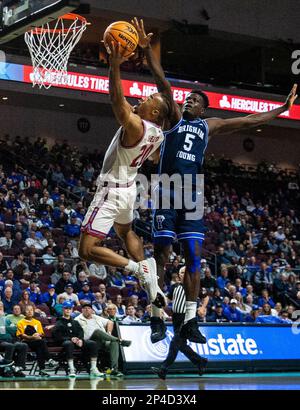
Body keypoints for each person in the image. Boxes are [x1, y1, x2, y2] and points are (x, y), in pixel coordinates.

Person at [132, 17, 298, 343]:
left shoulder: (211, 125)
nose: (187, 101)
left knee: (194, 257)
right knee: (162, 254)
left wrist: (281, 109)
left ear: (204, 107)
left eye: (194, 99)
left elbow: (249, 120)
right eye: (187, 99)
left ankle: (191, 320)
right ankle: (155, 316)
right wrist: (147, 50)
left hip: (192, 193)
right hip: (167, 189)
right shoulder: (175, 118)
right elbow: (162, 81)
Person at [78, 39, 170, 304]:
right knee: (126, 232)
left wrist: (115, 66)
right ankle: (149, 275)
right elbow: (153, 158)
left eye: (149, 98)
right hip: (129, 189)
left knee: (86, 250)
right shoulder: (157, 134)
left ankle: (136, 268)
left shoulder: (136, 127)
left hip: (112, 190)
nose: (143, 97)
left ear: (153, 111)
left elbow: (116, 100)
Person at [151, 269, 207, 380]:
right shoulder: (174, 286)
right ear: (179, 275)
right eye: (181, 272)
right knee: (180, 345)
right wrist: (159, 307)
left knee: (175, 343)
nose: (183, 274)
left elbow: (205, 297)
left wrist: (202, 307)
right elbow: (167, 299)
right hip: (176, 318)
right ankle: (200, 361)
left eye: (185, 272)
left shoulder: (194, 286)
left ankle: (164, 369)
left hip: (186, 318)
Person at [75, 302, 131, 377]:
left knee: (114, 343)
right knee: (97, 331)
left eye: (89, 308)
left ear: (92, 310)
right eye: (85, 309)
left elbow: (110, 322)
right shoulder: (78, 319)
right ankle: (120, 340)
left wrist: (109, 333)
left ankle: (114, 369)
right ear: (82, 310)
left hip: (103, 341)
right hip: (89, 342)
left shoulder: (96, 317)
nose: (87, 310)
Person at [52, 300, 101, 378]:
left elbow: (80, 332)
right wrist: (70, 338)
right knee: (69, 344)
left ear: (72, 310)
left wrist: (80, 339)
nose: (68, 310)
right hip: (65, 343)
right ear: (63, 309)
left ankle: (93, 368)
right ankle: (71, 369)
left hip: (77, 342)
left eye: (70, 308)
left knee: (92, 343)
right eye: (66, 308)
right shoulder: (59, 322)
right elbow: (57, 336)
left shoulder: (75, 322)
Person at [16, 305, 57, 377]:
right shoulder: (20, 322)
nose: (29, 311)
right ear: (24, 312)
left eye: (31, 310)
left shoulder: (37, 322)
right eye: (28, 310)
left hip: (36, 342)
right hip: (26, 342)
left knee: (40, 347)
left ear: (33, 311)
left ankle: (42, 370)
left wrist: (38, 335)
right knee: (41, 343)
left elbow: (41, 334)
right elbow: (21, 335)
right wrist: (32, 337)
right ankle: (48, 360)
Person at [0, 301, 28, 377]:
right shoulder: (4, 318)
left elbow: (15, 330)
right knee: (10, 346)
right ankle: (6, 369)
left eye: (1, 306)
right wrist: (7, 328)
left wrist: (5, 327)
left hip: (11, 339)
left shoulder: (7, 319)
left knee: (23, 345)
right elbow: (2, 333)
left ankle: (18, 368)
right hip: (1, 341)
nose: (0, 307)